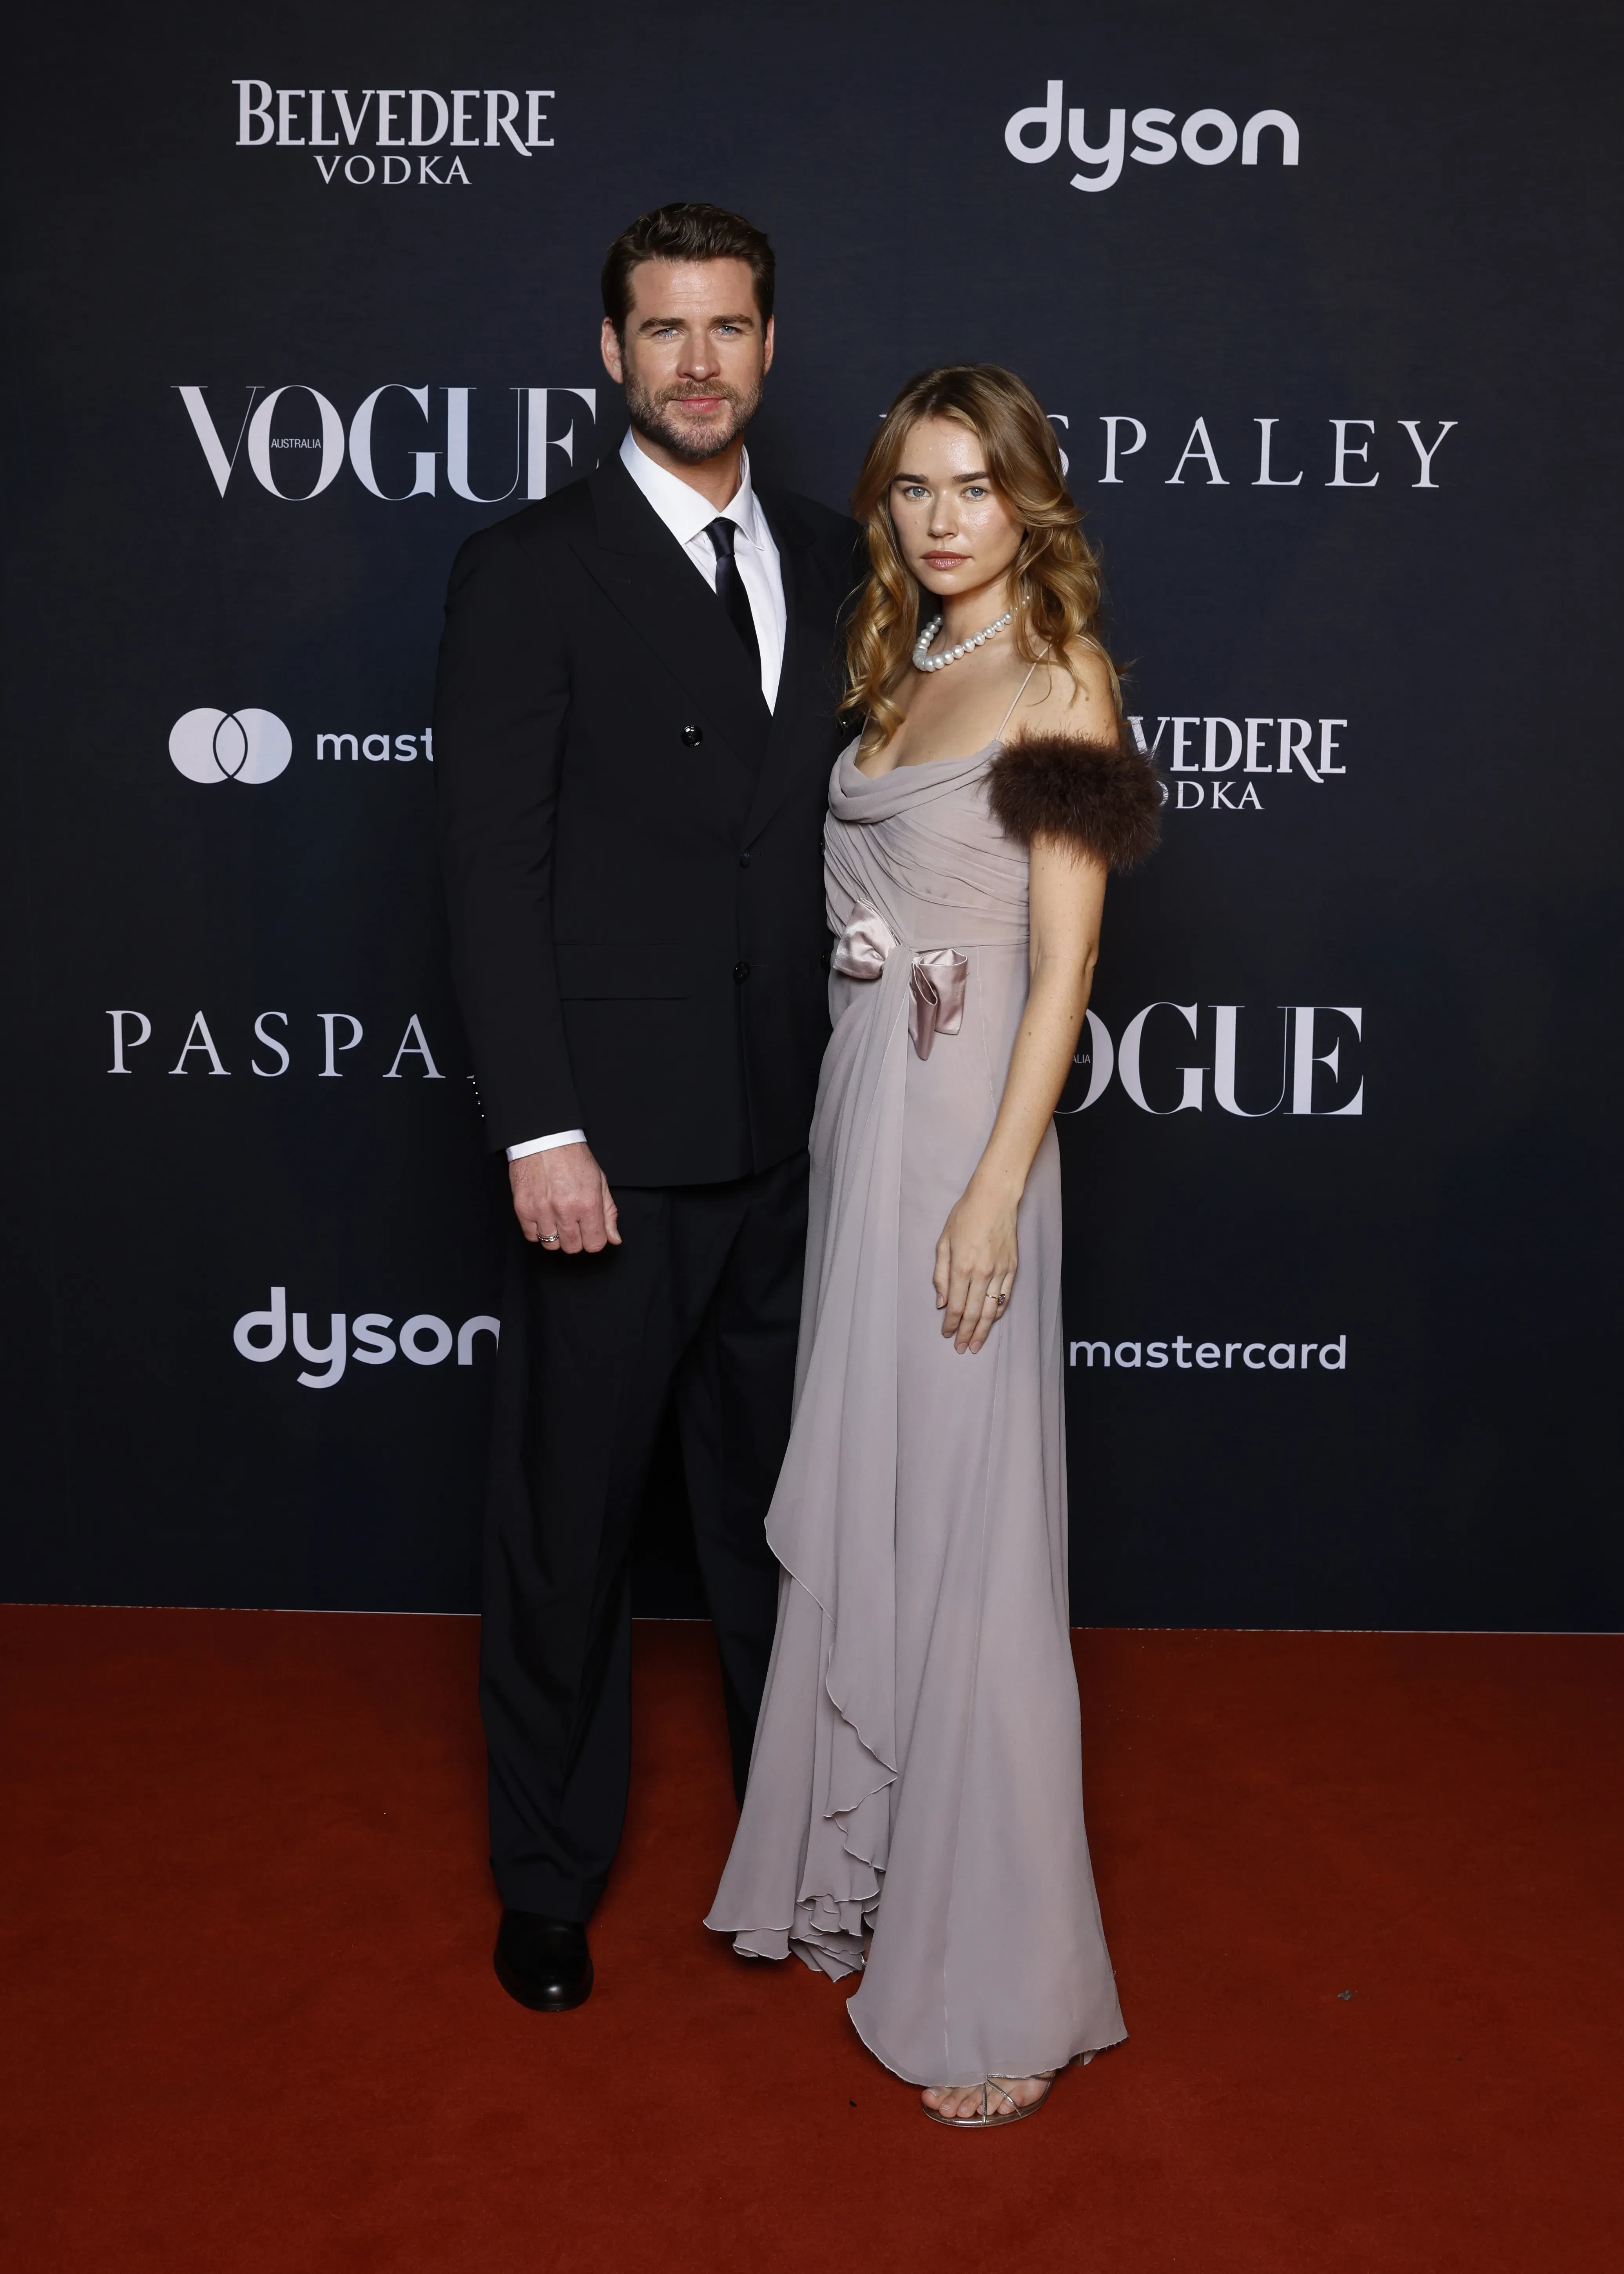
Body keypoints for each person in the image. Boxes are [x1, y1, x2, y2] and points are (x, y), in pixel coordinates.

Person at [707, 365, 1160, 2125]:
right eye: (914, 488)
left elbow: (1068, 961)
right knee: (883, 1497)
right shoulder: (897, 670)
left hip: (971, 1134)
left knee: (972, 1528)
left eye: (975, 486)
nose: (942, 517)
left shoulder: (1060, 674)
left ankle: (997, 1982)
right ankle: (876, 1867)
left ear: (1029, 501)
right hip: (864, 1118)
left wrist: (993, 1186)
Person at [433, 204, 862, 2013]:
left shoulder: (839, 555)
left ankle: (804, 1845)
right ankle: (547, 1876)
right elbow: (488, 869)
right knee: (570, 1527)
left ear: (770, 347)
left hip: (802, 1130)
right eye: (665, 330)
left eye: (728, 328)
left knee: (785, 1522)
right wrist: (540, 1128)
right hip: (607, 1144)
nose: (699, 362)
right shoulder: (529, 568)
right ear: (609, 351)